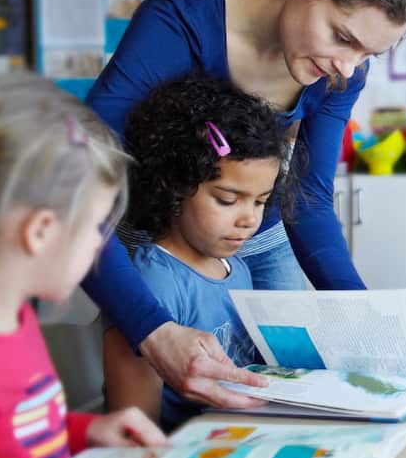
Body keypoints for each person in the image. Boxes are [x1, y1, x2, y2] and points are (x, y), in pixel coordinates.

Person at [83, 0, 406, 410]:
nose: (348, 68)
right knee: (160, 391)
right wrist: (152, 330)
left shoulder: (341, 71)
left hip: (262, 238)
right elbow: (81, 183)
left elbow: (308, 200)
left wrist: (375, 325)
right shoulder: (179, 19)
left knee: (289, 397)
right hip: (155, 230)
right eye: (342, 37)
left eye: (368, 54)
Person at [0, 75, 165, 458]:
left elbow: (22, 435)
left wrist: (87, 431)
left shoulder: (19, 319)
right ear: (41, 231)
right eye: (96, 226)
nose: (100, 245)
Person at [103, 78, 295, 431]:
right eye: (227, 200)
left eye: (260, 201)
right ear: (175, 185)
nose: (249, 219)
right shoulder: (153, 281)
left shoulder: (236, 267)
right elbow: (134, 427)